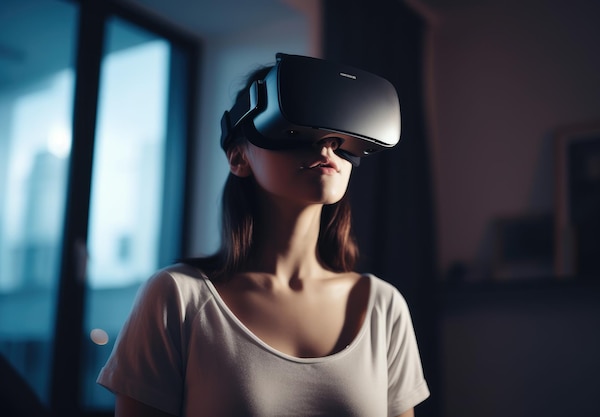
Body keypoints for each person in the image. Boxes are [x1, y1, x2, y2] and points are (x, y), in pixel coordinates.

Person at [97, 54, 430, 417]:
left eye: (337, 139)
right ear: (238, 158)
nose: (325, 146)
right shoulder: (176, 297)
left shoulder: (383, 306)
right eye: (297, 130)